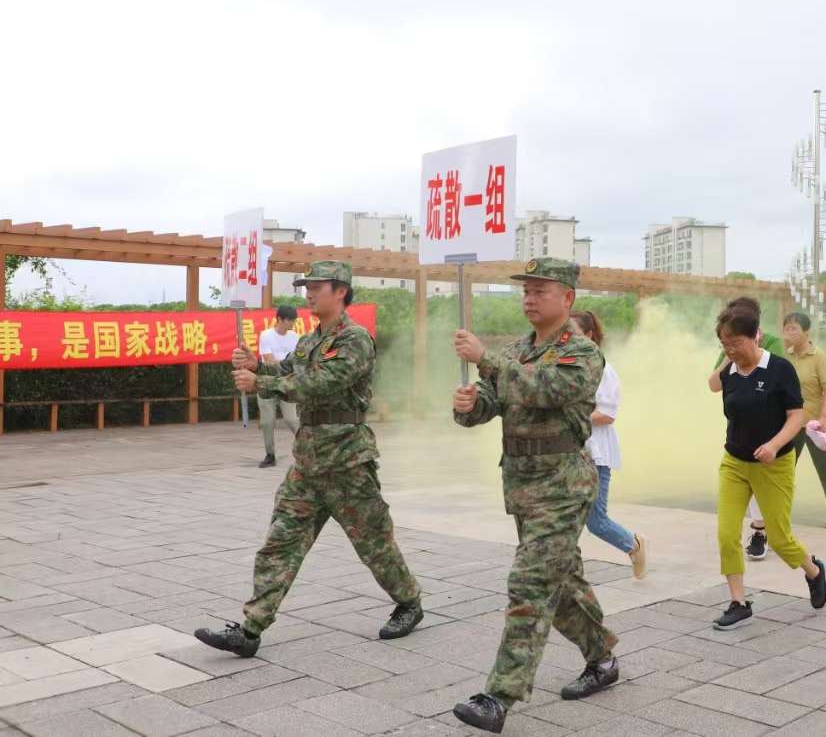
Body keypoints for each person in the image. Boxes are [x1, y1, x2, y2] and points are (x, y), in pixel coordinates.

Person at [194, 261, 423, 659]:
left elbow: (320, 383)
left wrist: (262, 382)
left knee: (374, 545)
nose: (309, 293)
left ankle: (410, 602)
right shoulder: (307, 341)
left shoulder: (355, 339)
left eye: (317, 287)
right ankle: (250, 628)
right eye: (307, 287)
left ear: (340, 291)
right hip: (308, 463)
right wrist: (255, 365)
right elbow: (286, 370)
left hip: (348, 462)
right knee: (279, 544)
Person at [451, 258, 619, 733]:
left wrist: (487, 359)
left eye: (539, 290)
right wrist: (469, 405)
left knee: (529, 584)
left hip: (564, 487)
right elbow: (492, 400)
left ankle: (498, 696)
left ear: (566, 299)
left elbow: (545, 389)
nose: (528, 298)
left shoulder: (581, 352)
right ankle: (602, 656)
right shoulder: (516, 350)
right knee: (561, 586)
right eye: (525, 290)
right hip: (524, 485)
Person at [709, 300, 826, 629]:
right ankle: (737, 601)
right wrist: (726, 358)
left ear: (755, 337)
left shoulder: (779, 369)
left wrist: (775, 445)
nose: (730, 350)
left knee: (779, 538)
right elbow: (720, 394)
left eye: (735, 343)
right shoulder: (728, 374)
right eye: (724, 344)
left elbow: (797, 416)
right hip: (734, 462)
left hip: (773, 464)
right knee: (726, 534)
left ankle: (814, 571)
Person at [568, 310, 648, 577]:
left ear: (590, 336)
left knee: (596, 521)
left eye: (574, 333)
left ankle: (633, 544)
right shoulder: (565, 367)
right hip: (568, 454)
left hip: (595, 454)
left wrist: (572, 415)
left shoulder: (604, 370)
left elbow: (607, 415)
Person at [709, 297, 784, 559]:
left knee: (768, 489)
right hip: (741, 430)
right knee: (746, 479)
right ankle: (761, 531)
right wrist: (733, 354)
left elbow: (782, 382)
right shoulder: (729, 345)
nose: (730, 344)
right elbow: (714, 383)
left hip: (774, 431)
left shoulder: (774, 343)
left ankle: (772, 534)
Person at [782, 311, 826, 528]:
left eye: (793, 328)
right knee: (783, 470)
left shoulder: (819, 356)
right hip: (790, 425)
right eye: (786, 328)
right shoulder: (784, 357)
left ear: (806, 332)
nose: (788, 333)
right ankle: (778, 513)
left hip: (816, 425)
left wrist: (824, 417)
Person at [256, 305, 301, 468]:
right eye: (290, 320)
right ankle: (270, 455)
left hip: (287, 383)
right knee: (267, 422)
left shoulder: (295, 337)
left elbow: (297, 361)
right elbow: (268, 360)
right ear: (279, 319)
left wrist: (282, 362)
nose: (292, 324)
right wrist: (286, 362)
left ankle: (309, 448)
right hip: (267, 382)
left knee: (292, 419)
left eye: (294, 320)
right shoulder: (266, 335)